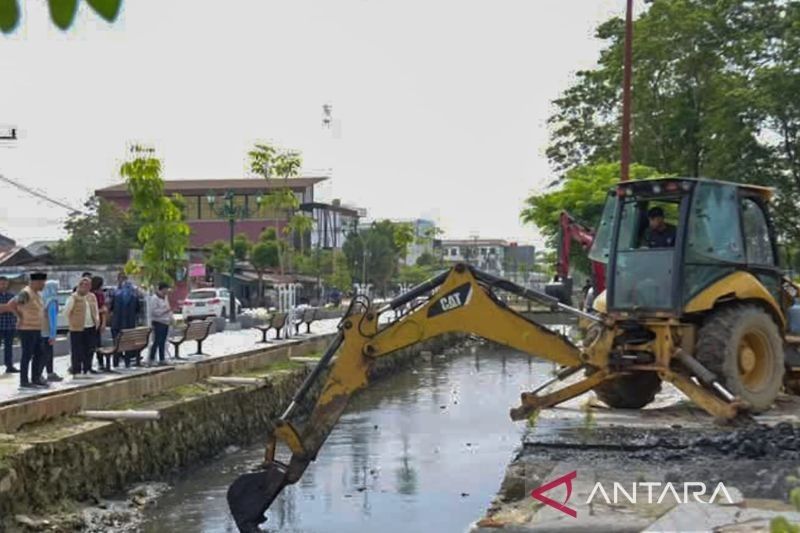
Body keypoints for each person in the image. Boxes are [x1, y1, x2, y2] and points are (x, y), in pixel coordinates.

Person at [2, 272, 49, 388]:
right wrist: (20, 317)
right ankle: (24, 381)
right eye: (42, 283)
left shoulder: (36, 294)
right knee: (27, 355)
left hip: (36, 328)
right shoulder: (26, 293)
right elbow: (11, 305)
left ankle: (36, 378)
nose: (43, 285)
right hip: (27, 329)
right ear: (36, 282)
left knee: (39, 353)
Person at [64, 277, 100, 375]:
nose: (85, 287)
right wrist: (73, 321)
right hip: (77, 328)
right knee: (77, 351)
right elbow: (66, 312)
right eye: (82, 285)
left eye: (87, 285)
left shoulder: (92, 296)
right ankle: (76, 370)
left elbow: (96, 309)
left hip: (90, 326)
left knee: (89, 349)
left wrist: (97, 320)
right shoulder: (73, 297)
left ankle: (87, 368)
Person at [109, 274, 140, 366]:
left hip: (116, 324)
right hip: (129, 324)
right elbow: (138, 310)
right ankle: (127, 362)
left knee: (116, 343)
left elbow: (111, 308)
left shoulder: (116, 295)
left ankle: (115, 362)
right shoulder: (134, 296)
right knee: (128, 344)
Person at [40, 280, 63, 382]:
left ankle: (46, 373)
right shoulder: (52, 301)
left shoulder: (41, 299)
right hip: (47, 332)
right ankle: (44, 373)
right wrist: (53, 335)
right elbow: (52, 319)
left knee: (41, 354)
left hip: (39, 330)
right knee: (47, 354)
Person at [148, 282, 173, 366]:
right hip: (158, 322)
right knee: (157, 341)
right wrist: (165, 311)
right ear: (162, 289)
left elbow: (168, 308)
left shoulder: (165, 298)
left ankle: (162, 358)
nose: (167, 291)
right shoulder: (154, 298)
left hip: (165, 322)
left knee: (163, 342)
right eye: (166, 289)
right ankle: (151, 358)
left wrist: (170, 317)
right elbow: (154, 312)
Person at [0, 276, 19, 374]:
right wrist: (8, 307)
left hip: (9, 325)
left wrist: (5, 307)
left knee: (9, 347)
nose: (3, 285)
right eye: (2, 283)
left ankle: (9, 366)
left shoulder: (11, 295)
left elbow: (16, 308)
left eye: (5, 283)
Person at [90, 276, 107, 369]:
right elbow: (103, 310)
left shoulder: (95, 294)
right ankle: (100, 363)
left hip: (93, 322)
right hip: (95, 321)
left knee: (95, 344)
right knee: (97, 343)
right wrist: (103, 323)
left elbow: (103, 309)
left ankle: (96, 363)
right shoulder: (97, 295)